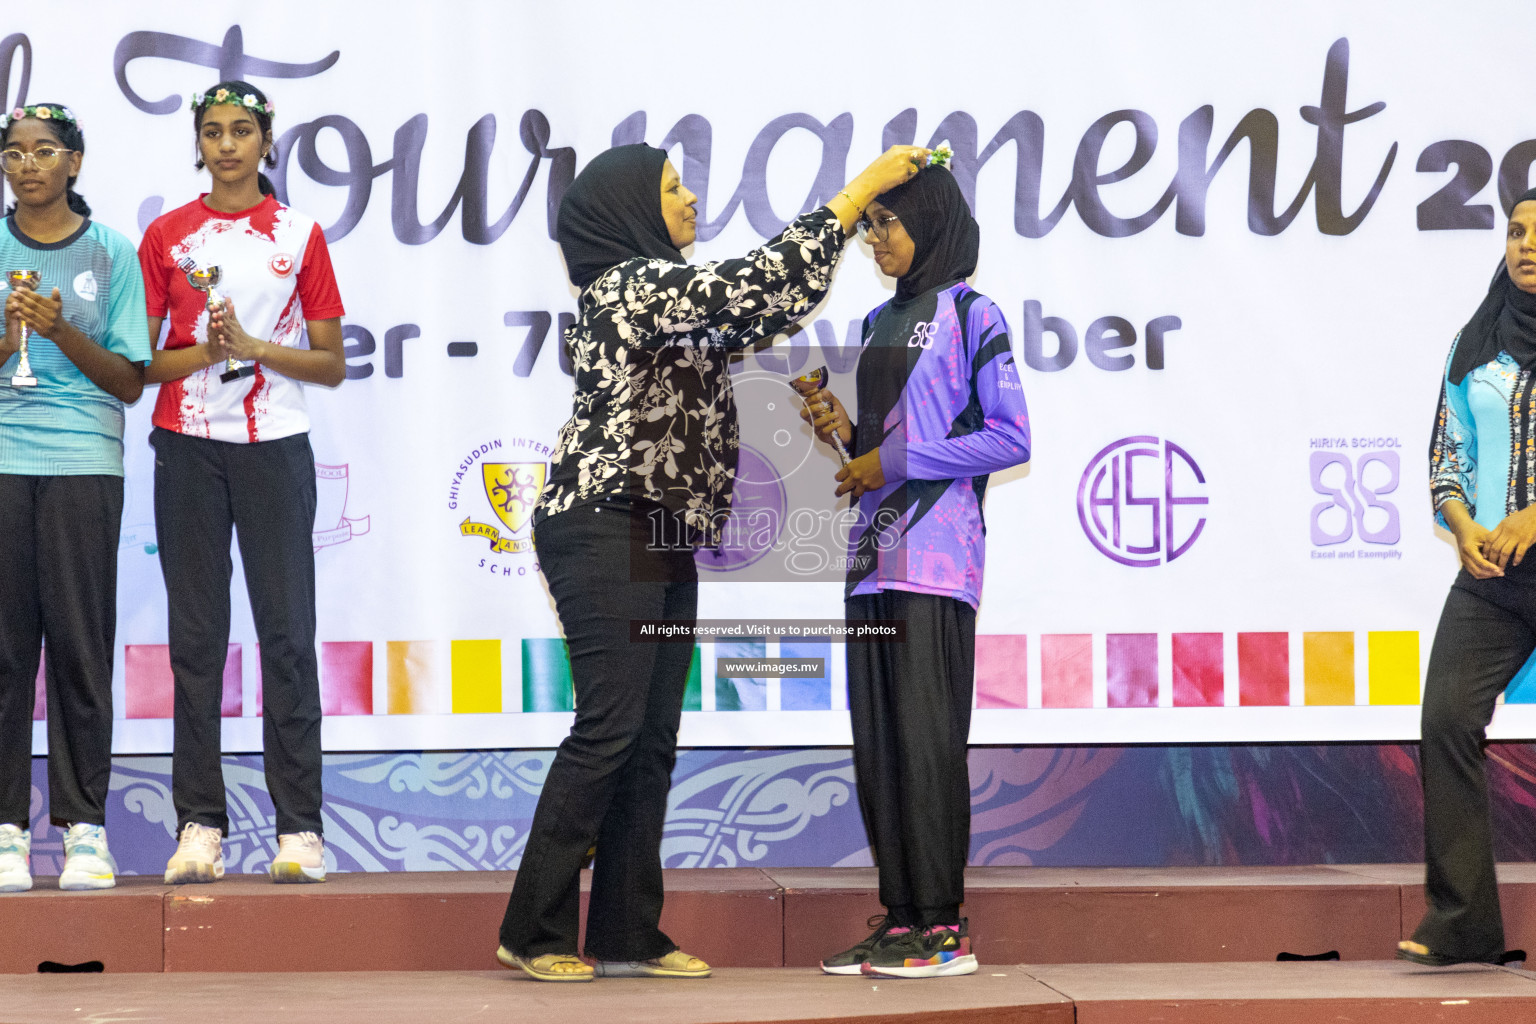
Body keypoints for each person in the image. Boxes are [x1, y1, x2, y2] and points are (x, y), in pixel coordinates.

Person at [496, 141, 929, 982]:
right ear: (627, 213)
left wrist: (829, 243)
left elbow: (778, 297)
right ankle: (533, 926)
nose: (691, 199)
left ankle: (625, 928)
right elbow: (752, 282)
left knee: (652, 736)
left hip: (657, 528)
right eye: (671, 188)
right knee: (611, 726)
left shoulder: (674, 303)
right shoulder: (625, 288)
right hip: (603, 522)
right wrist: (860, 192)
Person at [802, 165, 1030, 978]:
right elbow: (877, 450)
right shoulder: (872, 320)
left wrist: (891, 456)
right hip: (870, 562)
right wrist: (844, 432)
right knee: (882, 748)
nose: (874, 239)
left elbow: (1010, 438)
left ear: (930, 223)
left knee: (928, 746)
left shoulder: (974, 314)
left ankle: (944, 928)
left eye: (887, 224)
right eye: (868, 227)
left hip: (936, 562)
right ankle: (901, 920)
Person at [137, 81, 345, 885]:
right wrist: (209, 352)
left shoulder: (300, 233)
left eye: (243, 130)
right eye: (213, 131)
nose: (227, 144)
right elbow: (140, 363)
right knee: (197, 642)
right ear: (198, 144)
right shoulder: (166, 235)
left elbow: (328, 363)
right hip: (186, 446)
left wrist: (254, 347)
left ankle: (300, 830)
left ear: (266, 142)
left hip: (275, 448)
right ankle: (200, 825)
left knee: (288, 638)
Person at [0, 104, 151, 893]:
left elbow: (130, 381)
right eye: (15, 153)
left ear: (74, 164)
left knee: (80, 647)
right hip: (3, 460)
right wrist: (9, 334)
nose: (29, 165)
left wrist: (58, 331)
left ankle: (85, 829)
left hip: (86, 459)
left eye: (45, 151)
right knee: (4, 652)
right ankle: (4, 835)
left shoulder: (110, 252)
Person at [1401, 187, 1536, 967]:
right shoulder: (1474, 341)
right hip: (1493, 578)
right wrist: (1461, 525)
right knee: (1447, 719)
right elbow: (1446, 453)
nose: (1525, 245)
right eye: (1516, 232)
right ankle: (1463, 926)